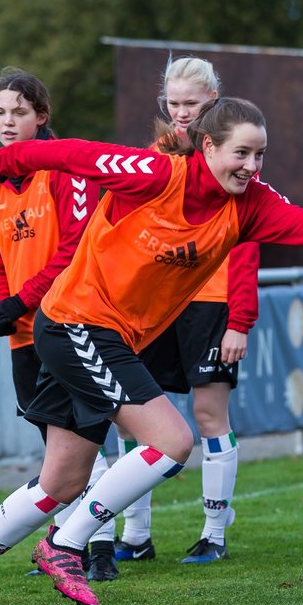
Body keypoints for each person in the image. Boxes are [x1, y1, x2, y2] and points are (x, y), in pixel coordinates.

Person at [0, 97, 303, 605]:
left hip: (105, 334)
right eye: (240, 153)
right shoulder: (157, 175)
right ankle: (65, 545)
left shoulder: (249, 204)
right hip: (76, 322)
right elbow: (71, 154)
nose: (250, 166)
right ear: (208, 147)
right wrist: (3, 162)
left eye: (260, 155)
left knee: (61, 481)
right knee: (173, 441)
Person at [0, 68, 117, 581]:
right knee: (56, 446)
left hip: (70, 323)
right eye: (0, 112)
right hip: (25, 332)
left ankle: (98, 549)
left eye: (19, 112)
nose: (8, 123)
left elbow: (75, 248)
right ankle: (66, 545)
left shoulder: (65, 172)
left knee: (83, 439)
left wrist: (22, 299)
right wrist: (1, 307)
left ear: (42, 117)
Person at [113, 56, 260, 567]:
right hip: (157, 305)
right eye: (173, 103)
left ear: (212, 102)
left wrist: (240, 319)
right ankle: (135, 536)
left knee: (208, 415)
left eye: (191, 104)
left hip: (212, 303)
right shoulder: (153, 155)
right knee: (134, 421)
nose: (181, 113)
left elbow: (246, 240)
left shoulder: (233, 155)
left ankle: (214, 534)